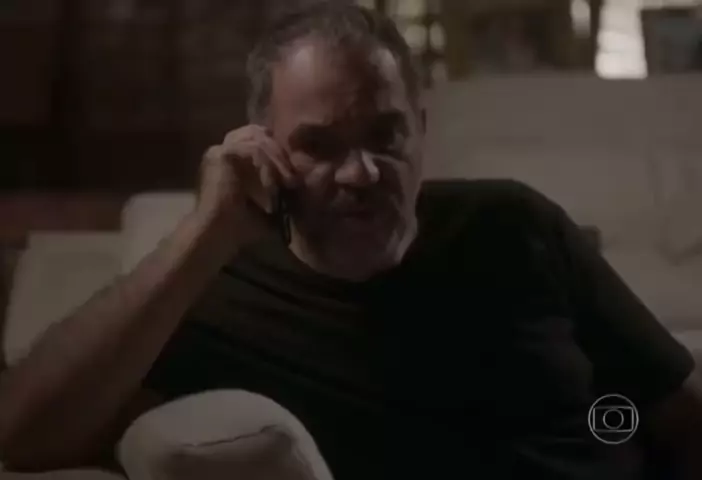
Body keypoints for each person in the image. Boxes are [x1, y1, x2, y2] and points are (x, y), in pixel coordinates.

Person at [0, 4, 701, 479]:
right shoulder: (214, 290)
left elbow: (672, 411)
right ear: (264, 150)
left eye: (385, 135)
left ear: (422, 130)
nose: (361, 173)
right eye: (318, 145)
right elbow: (22, 434)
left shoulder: (514, 225)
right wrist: (203, 232)